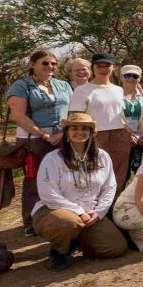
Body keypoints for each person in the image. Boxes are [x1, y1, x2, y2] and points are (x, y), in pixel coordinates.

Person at [32, 111, 128, 270]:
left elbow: (110, 187)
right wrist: (77, 211)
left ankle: (80, 240)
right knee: (69, 222)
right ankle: (59, 250)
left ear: (91, 133)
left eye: (85, 128)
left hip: (90, 213)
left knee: (116, 248)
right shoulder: (53, 158)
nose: (79, 132)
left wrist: (98, 213)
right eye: (74, 128)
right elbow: (48, 193)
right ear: (67, 133)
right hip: (54, 210)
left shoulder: (102, 156)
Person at [7, 50, 73, 235]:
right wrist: (43, 135)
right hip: (34, 139)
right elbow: (18, 116)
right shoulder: (22, 86)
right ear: (32, 64)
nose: (49, 67)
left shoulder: (63, 85)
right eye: (45, 63)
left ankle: (61, 217)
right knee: (35, 179)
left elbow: (73, 110)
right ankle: (31, 221)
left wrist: (62, 132)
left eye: (53, 64)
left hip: (63, 137)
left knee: (64, 178)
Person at [67, 53, 130, 194]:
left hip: (120, 135)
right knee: (95, 173)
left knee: (120, 174)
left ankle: (115, 207)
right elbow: (74, 117)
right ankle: (95, 207)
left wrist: (128, 132)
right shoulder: (82, 90)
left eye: (107, 65)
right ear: (93, 68)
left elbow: (120, 115)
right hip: (95, 136)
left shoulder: (119, 89)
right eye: (99, 66)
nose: (103, 69)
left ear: (113, 68)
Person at [120, 64, 143, 177]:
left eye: (135, 76)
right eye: (127, 76)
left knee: (139, 175)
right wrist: (126, 134)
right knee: (122, 173)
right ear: (121, 77)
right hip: (121, 138)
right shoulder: (114, 94)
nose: (131, 79)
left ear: (139, 78)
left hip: (140, 139)